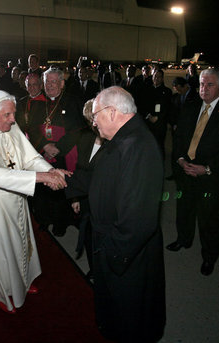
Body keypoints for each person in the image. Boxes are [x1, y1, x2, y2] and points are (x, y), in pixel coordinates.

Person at [0, 90, 69, 314]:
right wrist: (42, 178)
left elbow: (30, 157)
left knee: (19, 242)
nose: (13, 119)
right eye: (7, 115)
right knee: (1, 249)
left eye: (13, 114)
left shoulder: (9, 125)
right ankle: (3, 292)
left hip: (16, 195)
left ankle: (23, 283)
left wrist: (52, 171)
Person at [89, 86, 166, 342]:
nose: (93, 121)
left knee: (129, 316)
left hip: (126, 256)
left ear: (111, 112)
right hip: (115, 246)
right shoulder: (123, 138)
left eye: (95, 114)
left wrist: (111, 254)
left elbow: (138, 218)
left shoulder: (138, 146)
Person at [167, 68, 219, 276]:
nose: (204, 89)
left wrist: (206, 168)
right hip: (185, 171)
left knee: (208, 218)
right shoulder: (190, 107)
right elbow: (179, 138)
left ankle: (209, 257)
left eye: (210, 85)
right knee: (184, 209)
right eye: (201, 84)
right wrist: (181, 159)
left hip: (210, 176)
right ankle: (184, 239)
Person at [27, 67, 85, 236]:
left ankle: (61, 223)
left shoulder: (72, 101)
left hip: (64, 153)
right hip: (43, 151)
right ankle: (45, 220)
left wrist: (57, 148)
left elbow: (77, 130)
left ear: (61, 83)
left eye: (54, 81)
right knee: (44, 189)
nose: (50, 85)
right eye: (47, 82)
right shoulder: (38, 101)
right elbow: (32, 127)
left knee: (61, 187)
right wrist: (45, 145)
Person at [64, 99, 104, 279]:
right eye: (89, 121)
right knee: (88, 234)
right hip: (85, 197)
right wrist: (75, 198)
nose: (93, 125)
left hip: (104, 202)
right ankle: (94, 268)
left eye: (95, 120)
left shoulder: (113, 144)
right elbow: (80, 169)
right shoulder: (86, 138)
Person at [143, 69, 172, 157]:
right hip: (147, 123)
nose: (157, 78)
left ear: (163, 79)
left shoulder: (167, 92)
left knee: (159, 146)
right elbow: (142, 105)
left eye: (159, 77)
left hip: (160, 123)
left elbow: (168, 108)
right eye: (155, 76)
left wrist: (158, 117)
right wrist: (148, 115)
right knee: (147, 145)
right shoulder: (146, 90)